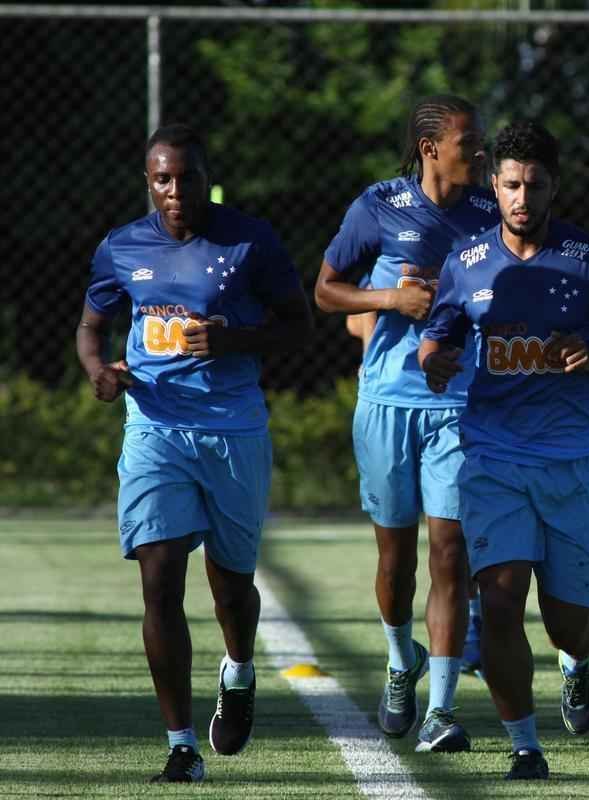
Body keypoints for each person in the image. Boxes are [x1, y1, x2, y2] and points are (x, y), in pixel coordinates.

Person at [76, 123, 313, 783]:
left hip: (234, 431)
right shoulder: (122, 247)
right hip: (154, 428)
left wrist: (234, 339)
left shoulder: (249, 241)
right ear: (148, 182)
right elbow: (91, 328)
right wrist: (99, 372)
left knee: (232, 587)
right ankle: (181, 744)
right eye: (162, 179)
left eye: (186, 177)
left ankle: (238, 672)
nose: (175, 191)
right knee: (158, 575)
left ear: (206, 177)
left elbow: (299, 325)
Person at [419, 120, 589, 780]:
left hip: (573, 457)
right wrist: (436, 360)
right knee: (498, 600)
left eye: (536, 185)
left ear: (556, 186)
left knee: (564, 621)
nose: (523, 197)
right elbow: (435, 339)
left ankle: (579, 659)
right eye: (512, 185)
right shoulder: (466, 261)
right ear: (495, 185)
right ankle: (525, 744)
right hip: (492, 455)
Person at [313, 95, 497, 752]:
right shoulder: (378, 206)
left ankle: (442, 711)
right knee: (395, 559)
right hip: (387, 403)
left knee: (450, 551)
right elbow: (326, 289)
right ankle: (400, 660)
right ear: (430, 150)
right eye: (468, 142)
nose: (480, 153)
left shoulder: (490, 211)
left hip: (459, 404)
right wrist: (391, 297)